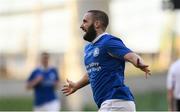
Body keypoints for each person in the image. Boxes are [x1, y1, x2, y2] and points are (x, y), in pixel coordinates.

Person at [61, 10, 151, 111]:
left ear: (97, 24)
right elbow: (92, 72)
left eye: (85, 21)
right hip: (111, 103)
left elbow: (130, 55)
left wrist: (139, 63)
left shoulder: (108, 41)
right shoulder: (88, 48)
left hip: (116, 101)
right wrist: (77, 85)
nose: (82, 26)